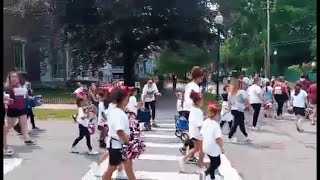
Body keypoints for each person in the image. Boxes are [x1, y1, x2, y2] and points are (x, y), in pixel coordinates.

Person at [103, 87, 136, 180]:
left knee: (129, 167)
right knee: (112, 168)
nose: (127, 102)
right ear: (121, 100)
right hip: (117, 145)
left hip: (120, 145)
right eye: (126, 99)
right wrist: (128, 142)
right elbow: (119, 131)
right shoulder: (117, 113)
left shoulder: (117, 111)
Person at [4, 71, 35, 149]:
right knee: (10, 125)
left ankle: (27, 139)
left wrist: (29, 94)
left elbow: (25, 95)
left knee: (24, 123)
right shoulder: (8, 88)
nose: (15, 79)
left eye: (16, 77)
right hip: (13, 109)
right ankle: (4, 134)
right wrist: (9, 99)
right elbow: (7, 98)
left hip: (22, 108)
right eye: (12, 78)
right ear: (10, 79)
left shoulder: (21, 86)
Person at [179, 90, 205, 172]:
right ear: (197, 101)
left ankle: (184, 159)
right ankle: (200, 165)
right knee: (202, 149)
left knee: (197, 148)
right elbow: (199, 124)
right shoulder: (198, 111)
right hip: (198, 133)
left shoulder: (193, 109)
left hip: (193, 131)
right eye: (201, 101)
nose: (202, 103)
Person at [200, 102, 224, 180]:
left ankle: (212, 177)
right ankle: (205, 173)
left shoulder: (205, 122)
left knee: (213, 162)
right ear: (216, 114)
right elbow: (218, 139)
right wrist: (222, 147)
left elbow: (201, 133)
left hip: (205, 146)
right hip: (213, 148)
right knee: (217, 163)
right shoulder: (216, 125)